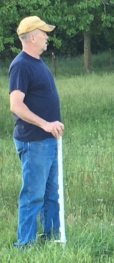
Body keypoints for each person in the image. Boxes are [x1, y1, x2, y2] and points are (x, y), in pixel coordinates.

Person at [8, 16, 65, 247]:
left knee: (51, 193)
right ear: (32, 37)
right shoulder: (21, 65)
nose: (47, 37)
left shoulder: (36, 61)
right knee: (33, 196)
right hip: (34, 141)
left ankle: (51, 238)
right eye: (44, 33)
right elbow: (16, 105)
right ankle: (25, 245)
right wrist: (45, 124)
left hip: (48, 140)